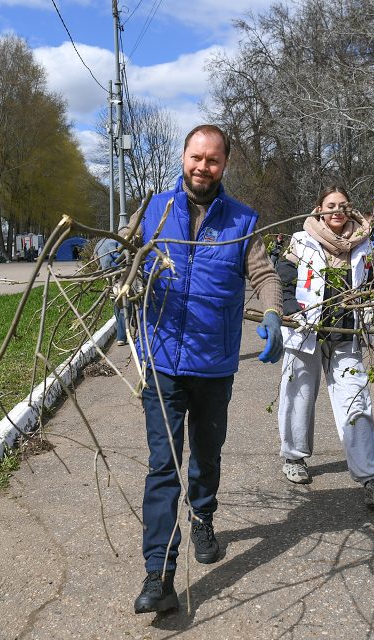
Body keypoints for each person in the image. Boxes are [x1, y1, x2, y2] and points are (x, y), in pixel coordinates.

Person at [130, 124, 284, 615]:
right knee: (162, 465)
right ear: (183, 156)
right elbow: (123, 251)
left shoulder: (242, 220)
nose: (202, 167)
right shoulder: (156, 209)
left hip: (214, 366)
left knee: (206, 453)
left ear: (224, 165)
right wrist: (114, 259)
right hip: (162, 362)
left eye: (213, 160)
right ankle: (159, 575)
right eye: (196, 157)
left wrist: (275, 312)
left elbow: (263, 274)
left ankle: (203, 516)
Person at [274, 185, 374, 506]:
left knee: (357, 402)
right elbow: (282, 278)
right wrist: (289, 309)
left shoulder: (363, 243)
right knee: (298, 396)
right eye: (330, 205)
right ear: (318, 209)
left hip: (345, 336)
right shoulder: (302, 241)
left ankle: (371, 477)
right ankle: (294, 457)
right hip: (305, 331)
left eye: (342, 205)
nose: (336, 211)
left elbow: (373, 284)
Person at [94, 233, 130, 346]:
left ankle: (120, 333)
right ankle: (121, 337)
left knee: (115, 300)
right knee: (125, 304)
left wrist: (103, 268)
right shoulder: (113, 242)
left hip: (107, 275)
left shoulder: (98, 244)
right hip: (118, 273)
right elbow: (117, 256)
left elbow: (96, 260)